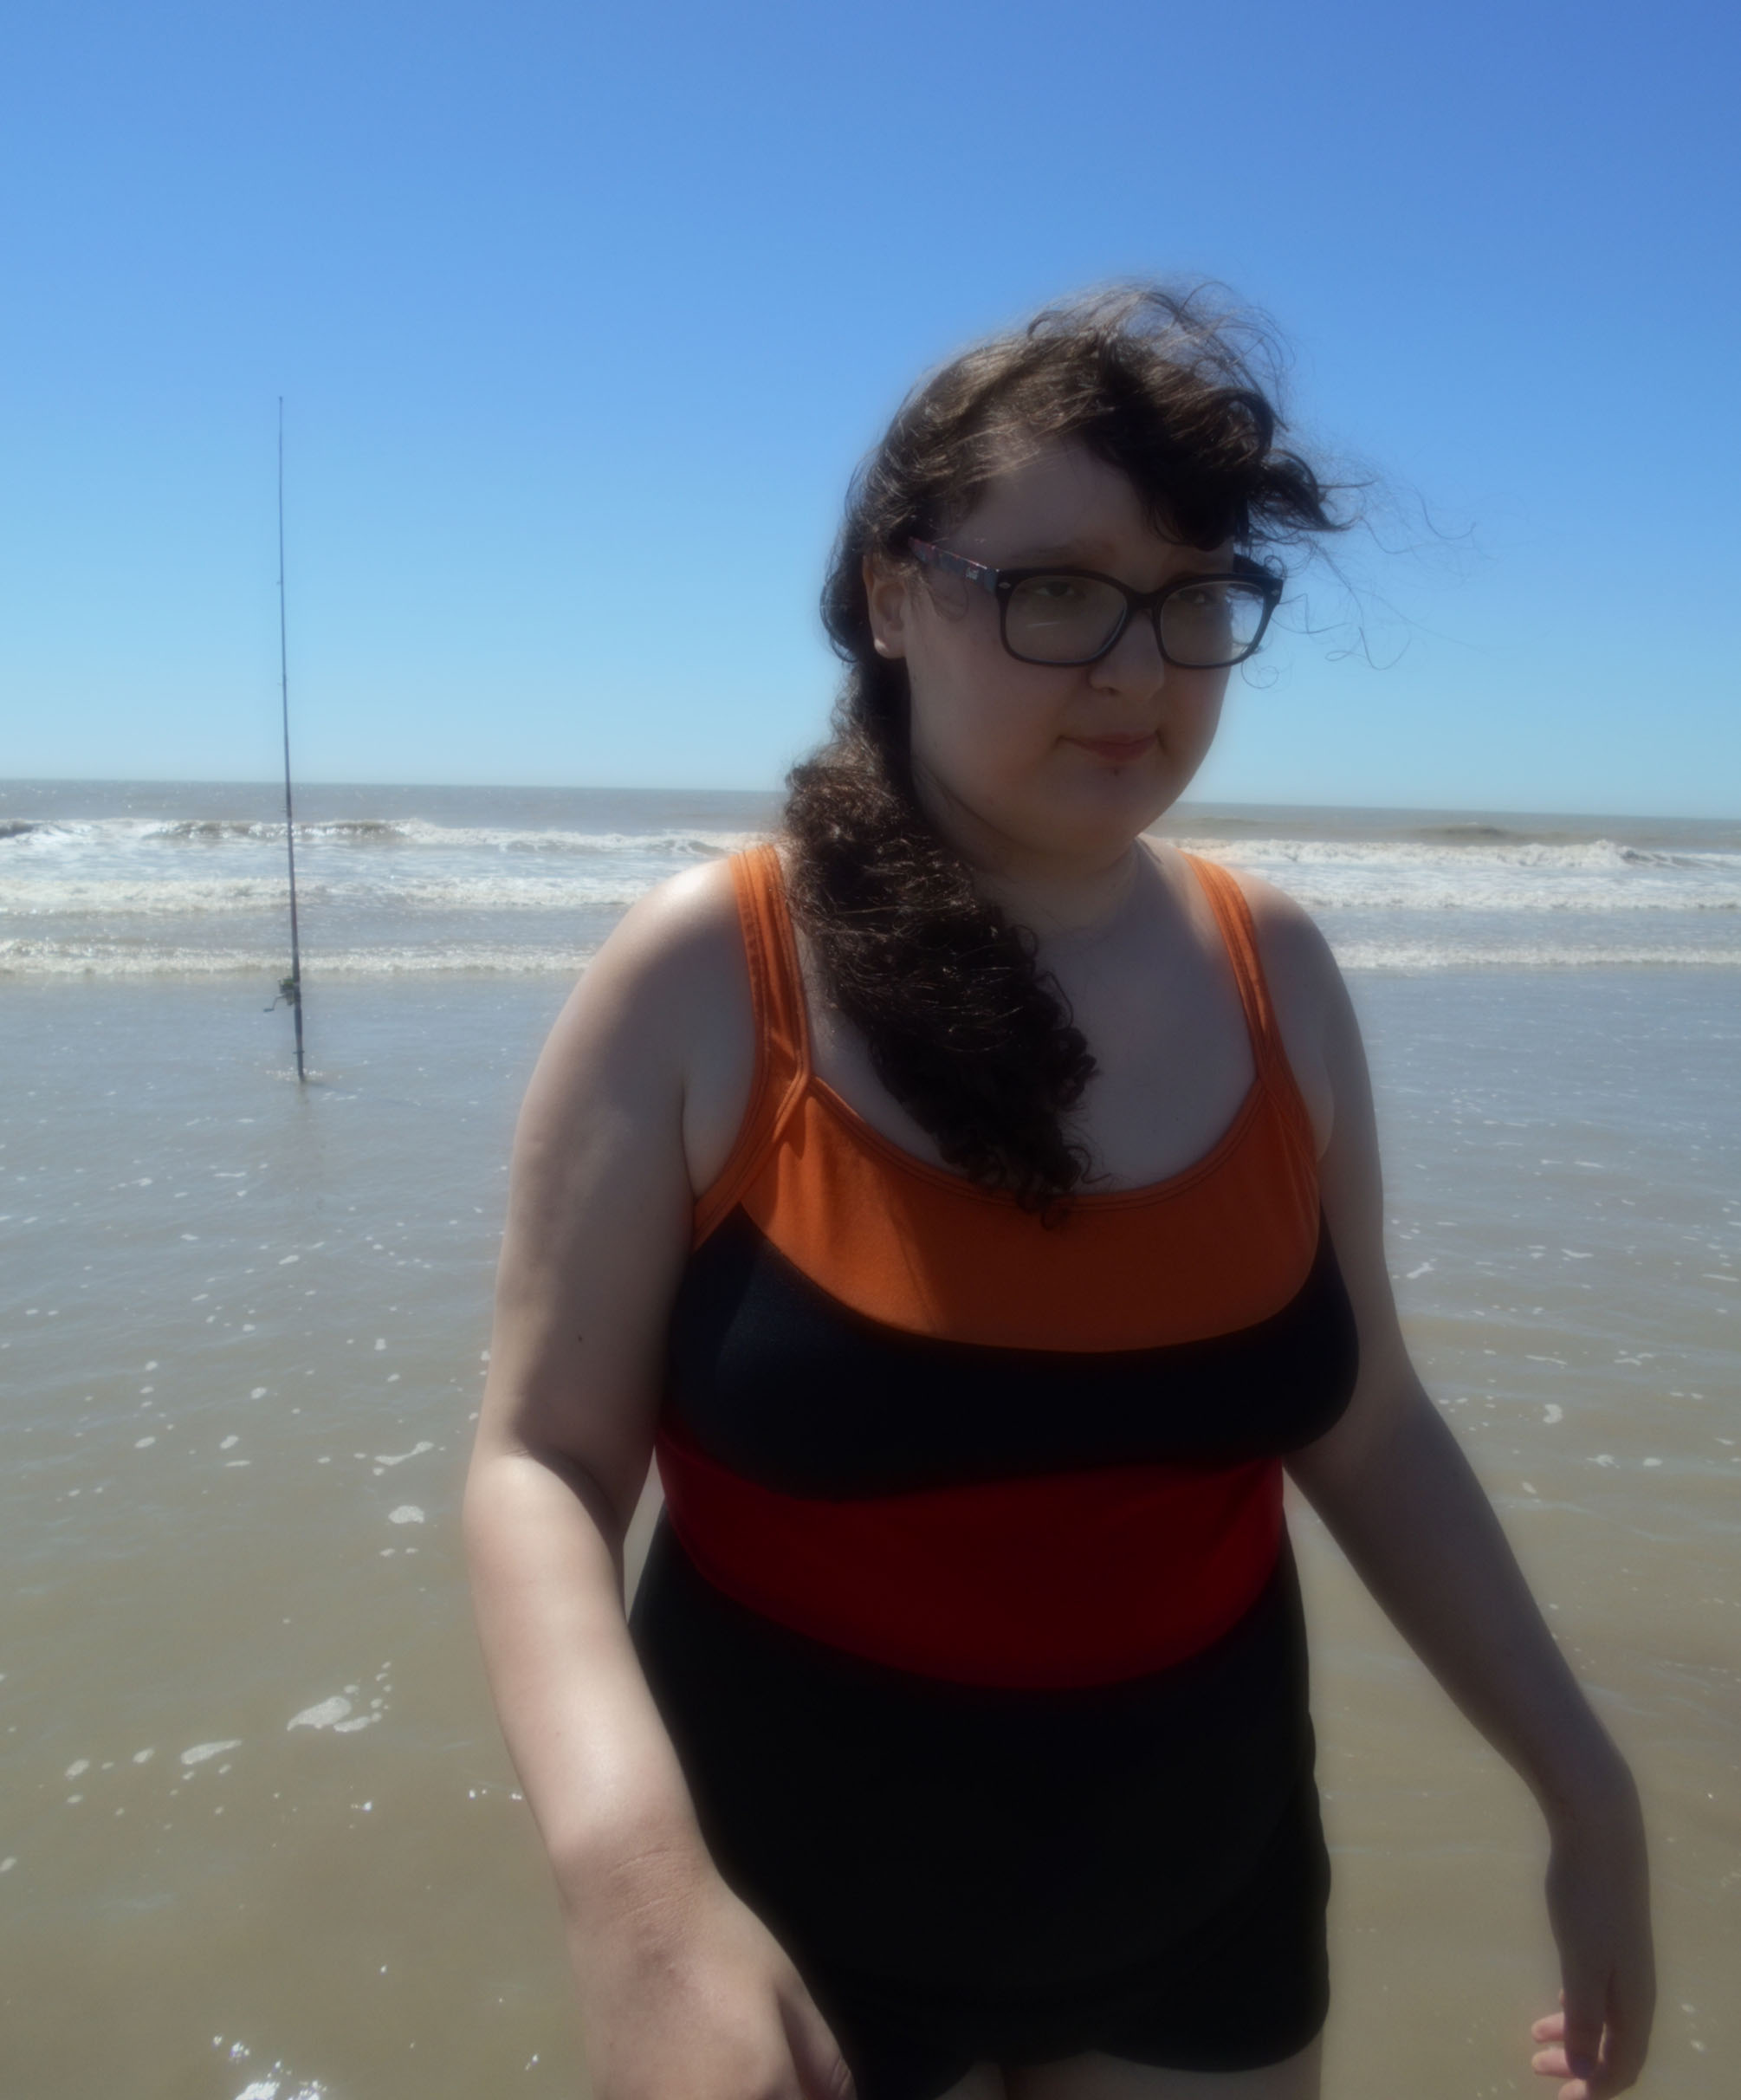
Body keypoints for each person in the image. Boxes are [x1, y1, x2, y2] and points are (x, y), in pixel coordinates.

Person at [463, 287, 1655, 2100]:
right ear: (893, 595)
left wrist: (1586, 1786)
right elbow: (539, 1463)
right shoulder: (712, 971)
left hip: (1211, 1900)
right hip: (787, 1937)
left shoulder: (1276, 970)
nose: (1137, 669)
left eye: (1192, 597)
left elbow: (1366, 1422)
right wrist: (636, 1901)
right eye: (1056, 590)